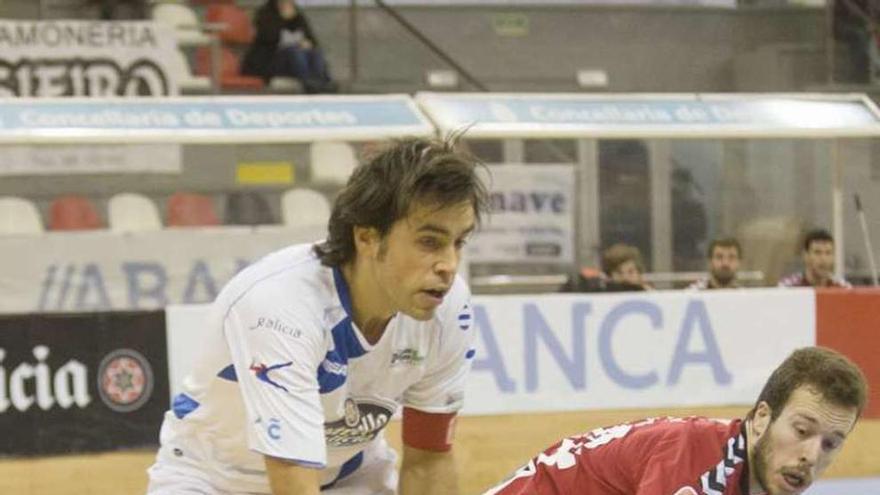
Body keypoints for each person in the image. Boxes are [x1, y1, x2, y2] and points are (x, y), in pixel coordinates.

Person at [146, 136, 489, 495]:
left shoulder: (448, 308)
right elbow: (293, 476)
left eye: (459, 242)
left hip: (348, 479)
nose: (449, 265)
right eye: (429, 242)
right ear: (367, 237)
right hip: (211, 482)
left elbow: (429, 459)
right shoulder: (280, 306)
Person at [483, 346, 867, 495]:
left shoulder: (742, 460)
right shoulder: (699, 476)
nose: (811, 455)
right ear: (762, 418)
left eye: (831, 443)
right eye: (802, 431)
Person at [242, 0, 337, 94]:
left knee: (314, 51)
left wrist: (307, 43)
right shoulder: (265, 13)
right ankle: (307, 81)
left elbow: (311, 38)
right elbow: (268, 38)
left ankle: (323, 81)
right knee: (293, 51)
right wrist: (284, 20)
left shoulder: (297, 15)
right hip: (271, 60)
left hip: (297, 58)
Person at [778, 229, 851, 288]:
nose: (823, 259)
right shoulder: (787, 288)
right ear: (806, 256)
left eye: (828, 253)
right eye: (817, 252)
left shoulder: (843, 288)